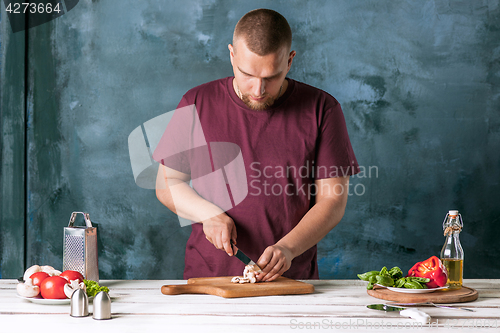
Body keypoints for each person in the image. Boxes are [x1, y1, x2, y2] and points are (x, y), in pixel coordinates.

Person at [155, 8, 359, 282]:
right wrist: (209, 215)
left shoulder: (323, 108)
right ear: (231, 55)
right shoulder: (195, 101)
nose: (258, 90)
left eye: (271, 77)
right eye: (247, 74)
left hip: (291, 279)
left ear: (289, 61)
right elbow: (167, 183)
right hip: (210, 277)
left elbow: (333, 200)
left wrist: (289, 247)